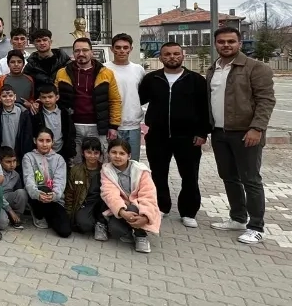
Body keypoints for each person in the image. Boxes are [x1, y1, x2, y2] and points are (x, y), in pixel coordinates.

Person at [207, 26, 276, 244]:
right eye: (221, 42)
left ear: (240, 43)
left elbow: (266, 100)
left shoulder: (256, 68)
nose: (226, 45)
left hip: (246, 133)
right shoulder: (213, 69)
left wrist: (257, 128)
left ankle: (256, 226)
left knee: (251, 180)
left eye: (230, 41)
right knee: (229, 177)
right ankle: (237, 218)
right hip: (219, 132)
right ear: (216, 44)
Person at [139, 43, 208, 228]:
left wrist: (202, 132)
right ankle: (162, 206)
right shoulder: (152, 79)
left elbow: (205, 108)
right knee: (158, 174)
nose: (172, 57)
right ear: (161, 57)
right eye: (167, 54)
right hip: (158, 136)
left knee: (190, 175)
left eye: (176, 53)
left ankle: (188, 212)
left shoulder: (195, 80)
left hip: (188, 138)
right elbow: (138, 99)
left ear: (183, 55)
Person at [55, 37, 122, 162]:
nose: (81, 54)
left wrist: (113, 126)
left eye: (85, 50)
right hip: (72, 126)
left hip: (98, 127)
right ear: (73, 53)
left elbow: (115, 101)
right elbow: (54, 97)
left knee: (101, 163)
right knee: (75, 163)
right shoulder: (62, 73)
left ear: (92, 52)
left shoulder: (106, 73)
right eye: (77, 51)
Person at [101, 138, 160, 254]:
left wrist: (145, 217)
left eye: (122, 153)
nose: (117, 156)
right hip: (121, 209)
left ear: (129, 156)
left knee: (133, 208)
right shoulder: (106, 171)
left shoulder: (141, 171)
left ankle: (140, 236)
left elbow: (148, 196)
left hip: (138, 208)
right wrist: (122, 212)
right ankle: (130, 230)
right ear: (108, 154)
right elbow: (109, 194)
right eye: (114, 152)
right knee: (115, 229)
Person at [23, 127, 71, 237]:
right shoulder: (28, 157)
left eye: (48, 141)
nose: (44, 144)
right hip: (36, 197)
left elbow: (60, 182)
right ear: (35, 141)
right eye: (41, 140)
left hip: (53, 199)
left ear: (53, 142)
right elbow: (28, 179)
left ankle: (49, 216)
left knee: (65, 232)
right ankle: (38, 214)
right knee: (43, 189)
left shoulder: (59, 159)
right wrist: (38, 194)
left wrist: (54, 195)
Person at [105, 33, 145, 158]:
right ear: (112, 49)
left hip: (133, 125)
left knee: (133, 164)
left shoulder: (138, 69)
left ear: (130, 49)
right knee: (111, 165)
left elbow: (143, 95)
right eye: (118, 47)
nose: (122, 51)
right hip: (111, 126)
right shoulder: (104, 69)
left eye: (125, 47)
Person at [64, 137, 106, 239]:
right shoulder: (75, 170)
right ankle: (94, 223)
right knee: (85, 225)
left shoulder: (105, 170)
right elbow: (69, 194)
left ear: (100, 154)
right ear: (83, 153)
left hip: (101, 202)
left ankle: (101, 224)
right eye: (89, 152)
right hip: (85, 203)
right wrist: (69, 215)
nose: (92, 156)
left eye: (96, 153)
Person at [31, 84, 74, 164]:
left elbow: (70, 133)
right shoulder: (37, 113)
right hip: (42, 151)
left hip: (61, 150)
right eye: (44, 97)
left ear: (57, 97)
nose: (47, 100)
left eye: (50, 97)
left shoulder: (64, 113)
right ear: (40, 98)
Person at [24, 29, 71, 102]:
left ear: (50, 42)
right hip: (41, 103)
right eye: (38, 41)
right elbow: (27, 86)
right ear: (34, 44)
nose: (42, 43)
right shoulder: (30, 66)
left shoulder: (64, 61)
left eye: (45, 40)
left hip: (63, 102)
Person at [0, 84, 34, 160]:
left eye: (10, 96)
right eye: (4, 96)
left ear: (15, 97)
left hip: (19, 152)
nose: (8, 98)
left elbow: (27, 135)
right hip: (1, 153)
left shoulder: (23, 113)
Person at [0, 146, 26, 230]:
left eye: (14, 161)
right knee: (2, 224)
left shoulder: (16, 175)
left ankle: (16, 218)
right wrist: (10, 210)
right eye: (8, 162)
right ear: (0, 162)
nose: (12, 164)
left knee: (22, 192)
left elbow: (18, 194)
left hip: (8, 198)